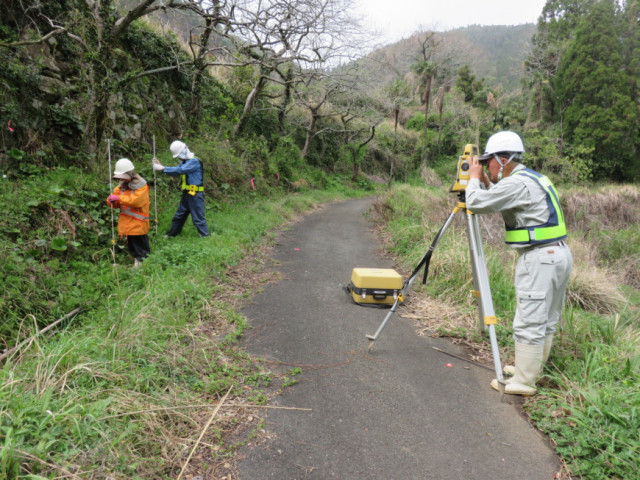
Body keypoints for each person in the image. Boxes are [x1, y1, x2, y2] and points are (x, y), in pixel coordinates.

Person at [466, 130, 573, 396]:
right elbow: (502, 196)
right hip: (558, 255)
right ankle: (531, 370)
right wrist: (485, 180)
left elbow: (475, 202)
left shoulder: (516, 184)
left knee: (529, 320)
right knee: (546, 319)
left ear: (503, 160)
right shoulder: (533, 178)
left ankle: (525, 382)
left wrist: (472, 179)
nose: (486, 167)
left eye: (488, 161)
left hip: (539, 258)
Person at [152, 140, 210, 237]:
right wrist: (161, 166)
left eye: (178, 155)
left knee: (198, 217)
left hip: (195, 194)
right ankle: (172, 234)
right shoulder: (185, 162)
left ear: (183, 151)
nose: (178, 157)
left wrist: (162, 168)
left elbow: (180, 171)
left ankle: (205, 236)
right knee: (179, 215)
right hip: (187, 193)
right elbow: (175, 170)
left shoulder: (194, 161)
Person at [106, 158, 150, 267]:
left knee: (140, 245)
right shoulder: (121, 186)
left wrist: (119, 198)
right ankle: (137, 263)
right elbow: (114, 201)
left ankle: (143, 264)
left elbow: (136, 201)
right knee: (132, 245)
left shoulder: (141, 185)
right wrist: (110, 200)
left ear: (129, 173)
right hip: (127, 223)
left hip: (138, 223)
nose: (121, 180)